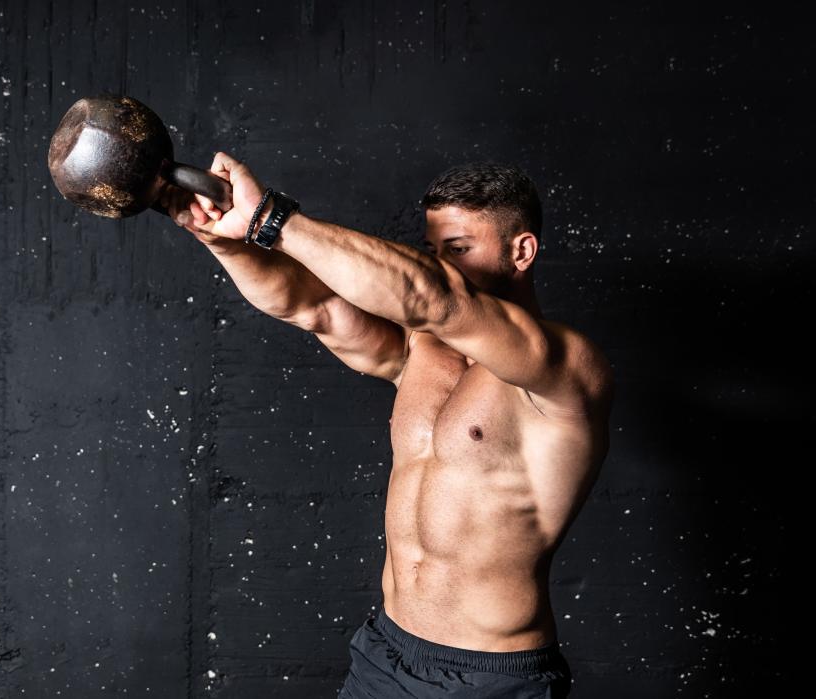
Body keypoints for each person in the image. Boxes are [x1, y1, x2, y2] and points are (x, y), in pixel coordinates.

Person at [159, 153, 614, 698]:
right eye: (433, 251)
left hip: (488, 678)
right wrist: (221, 238)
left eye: (460, 249)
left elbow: (437, 299)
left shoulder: (563, 371)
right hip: (386, 653)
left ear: (521, 251)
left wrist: (271, 219)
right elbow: (311, 306)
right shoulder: (420, 349)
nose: (444, 264)